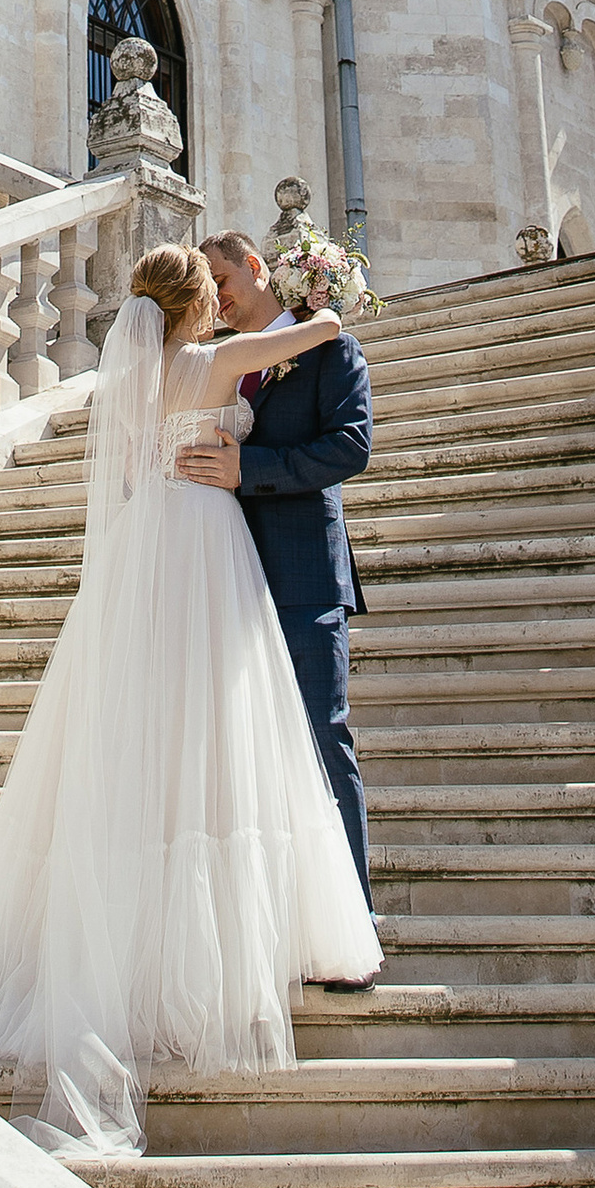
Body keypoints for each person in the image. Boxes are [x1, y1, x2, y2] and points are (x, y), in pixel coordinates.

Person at [0, 241, 382, 1152]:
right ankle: (239, 944)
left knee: (153, 730)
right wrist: (316, 292)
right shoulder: (214, 361)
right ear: (198, 300)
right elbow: (330, 327)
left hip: (148, 547)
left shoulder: (135, 376)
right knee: (225, 730)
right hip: (208, 544)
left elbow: (134, 468)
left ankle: (148, 939)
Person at [175, 229, 374, 915]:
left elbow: (352, 446)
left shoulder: (327, 345)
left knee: (323, 739)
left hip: (304, 578)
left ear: (256, 268)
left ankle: (350, 917)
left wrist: (247, 471)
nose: (217, 301)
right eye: (206, 291)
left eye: (223, 284)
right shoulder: (221, 362)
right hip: (230, 577)